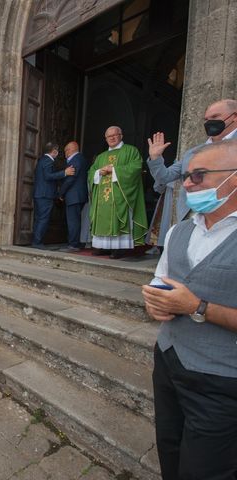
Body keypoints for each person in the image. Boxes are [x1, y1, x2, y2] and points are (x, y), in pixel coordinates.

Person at [141, 139, 237, 480]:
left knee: (205, 470)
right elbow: (161, 279)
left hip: (221, 380)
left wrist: (198, 307)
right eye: (187, 176)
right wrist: (155, 301)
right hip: (168, 361)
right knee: (170, 449)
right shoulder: (180, 230)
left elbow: (192, 302)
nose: (187, 183)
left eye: (198, 176)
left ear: (233, 179)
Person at [147, 99, 237, 223]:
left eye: (215, 116)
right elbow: (164, 177)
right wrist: (155, 158)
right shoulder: (192, 153)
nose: (209, 122)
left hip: (230, 218)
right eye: (206, 119)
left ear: (234, 117)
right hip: (192, 217)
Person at [88, 126, 147, 259]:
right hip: (102, 198)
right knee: (103, 217)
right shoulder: (101, 157)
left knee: (119, 217)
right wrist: (99, 172)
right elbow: (91, 172)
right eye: (109, 136)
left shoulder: (131, 151)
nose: (112, 138)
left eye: (115, 135)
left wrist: (114, 170)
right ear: (106, 139)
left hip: (121, 195)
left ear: (121, 135)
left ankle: (119, 248)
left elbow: (136, 167)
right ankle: (104, 246)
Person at [30, 142, 75, 249]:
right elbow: (48, 176)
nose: (58, 153)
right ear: (54, 151)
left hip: (40, 194)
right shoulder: (48, 161)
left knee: (39, 219)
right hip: (45, 195)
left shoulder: (42, 160)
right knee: (43, 219)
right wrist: (65, 172)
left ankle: (36, 241)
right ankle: (37, 243)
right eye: (58, 151)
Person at [58, 141, 88, 252]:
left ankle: (73, 245)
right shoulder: (82, 159)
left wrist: (61, 193)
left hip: (73, 196)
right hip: (78, 195)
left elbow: (70, 179)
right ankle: (77, 243)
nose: (65, 153)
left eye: (66, 150)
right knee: (76, 220)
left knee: (73, 221)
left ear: (70, 150)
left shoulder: (75, 160)